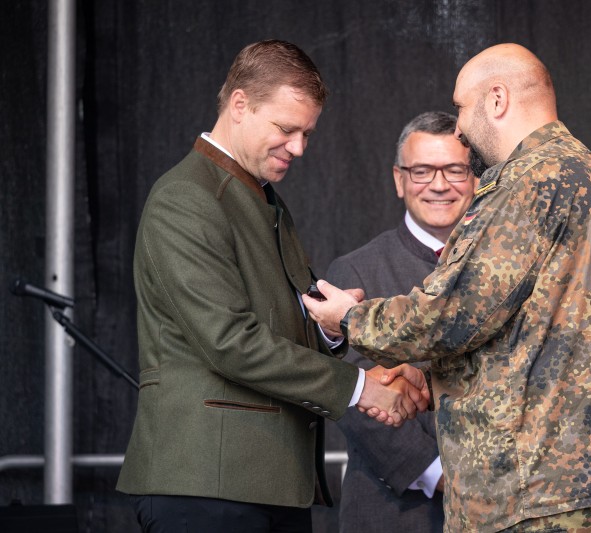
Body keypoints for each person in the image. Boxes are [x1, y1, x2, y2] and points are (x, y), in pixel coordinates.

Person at [304, 43, 591, 532]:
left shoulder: (530, 181)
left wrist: (348, 321)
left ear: (496, 100)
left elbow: (453, 313)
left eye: (460, 107)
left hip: (538, 487)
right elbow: (543, 339)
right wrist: (434, 383)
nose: (458, 127)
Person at [116, 40, 427, 533]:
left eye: (307, 133)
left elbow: (284, 325)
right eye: (287, 129)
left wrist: (334, 328)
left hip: (266, 484)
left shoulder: (261, 199)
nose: (299, 147)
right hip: (205, 487)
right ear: (239, 105)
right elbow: (230, 342)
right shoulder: (185, 199)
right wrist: (363, 386)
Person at [328, 111, 476, 533]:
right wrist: (441, 474)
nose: (439, 184)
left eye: (455, 170)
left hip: (501, 511)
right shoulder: (355, 273)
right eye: (422, 171)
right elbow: (353, 393)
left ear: (477, 178)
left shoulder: (503, 269)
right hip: (394, 514)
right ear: (399, 179)